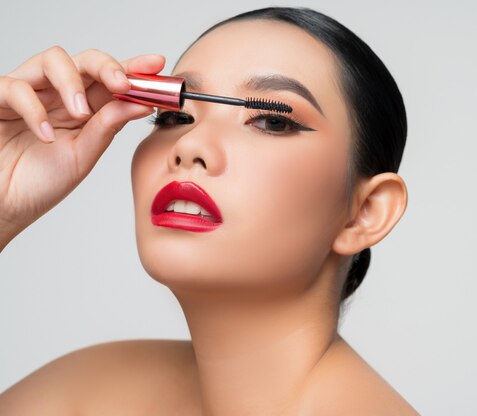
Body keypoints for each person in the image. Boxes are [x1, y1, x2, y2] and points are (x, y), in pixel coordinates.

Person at [0, 6, 416, 415]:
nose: (190, 145)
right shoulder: (82, 392)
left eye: (272, 121)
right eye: (176, 116)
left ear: (366, 212)